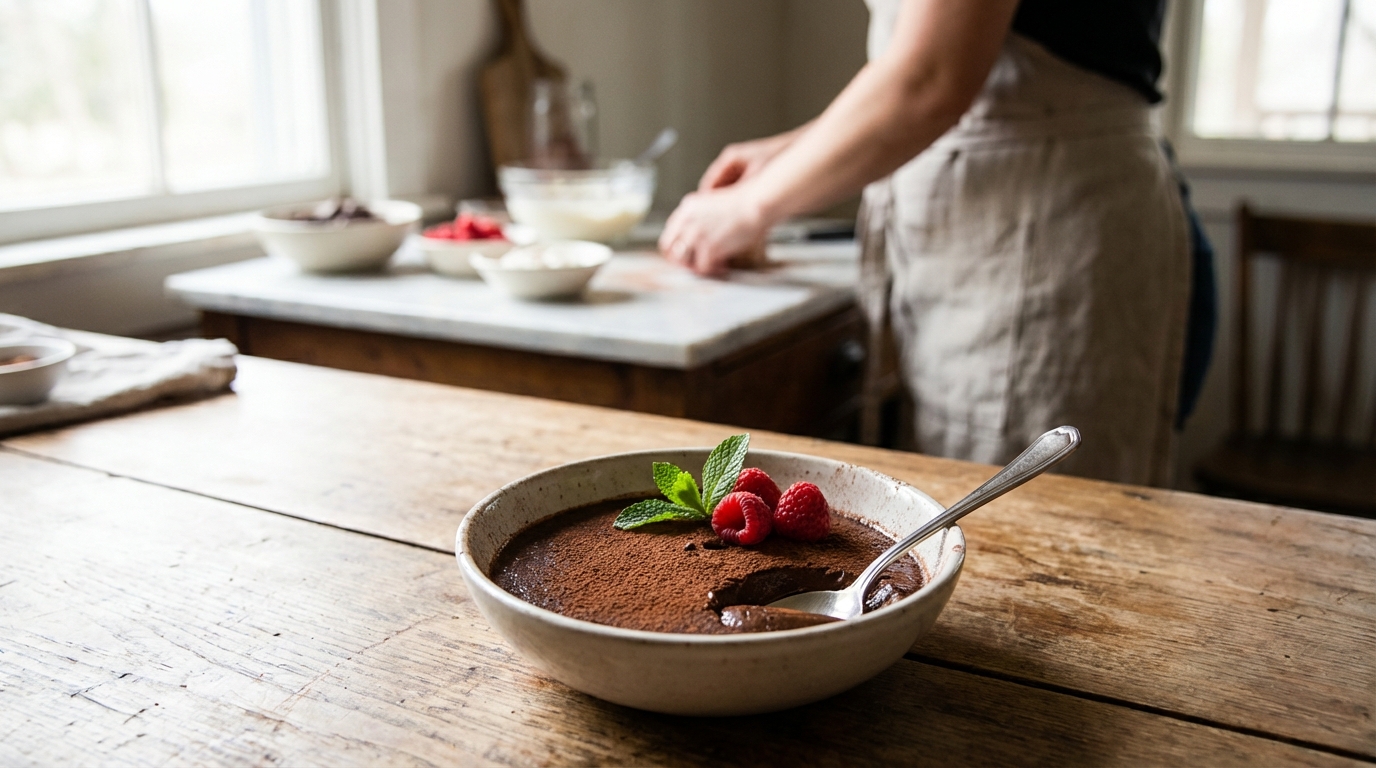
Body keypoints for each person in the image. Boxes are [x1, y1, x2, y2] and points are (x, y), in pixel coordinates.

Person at [659, 0, 1195, 486]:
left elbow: (932, 76)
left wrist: (750, 206)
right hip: (1009, 226)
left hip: (1042, 231)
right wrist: (793, 151)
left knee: (1024, 516)